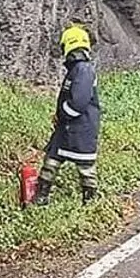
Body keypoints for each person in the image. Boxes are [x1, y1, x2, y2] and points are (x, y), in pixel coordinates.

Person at [35, 25, 101, 205]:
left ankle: (91, 204)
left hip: (81, 129)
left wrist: (63, 113)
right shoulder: (78, 69)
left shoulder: (83, 70)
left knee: (86, 169)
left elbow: (78, 102)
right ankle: (40, 198)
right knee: (51, 161)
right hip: (67, 128)